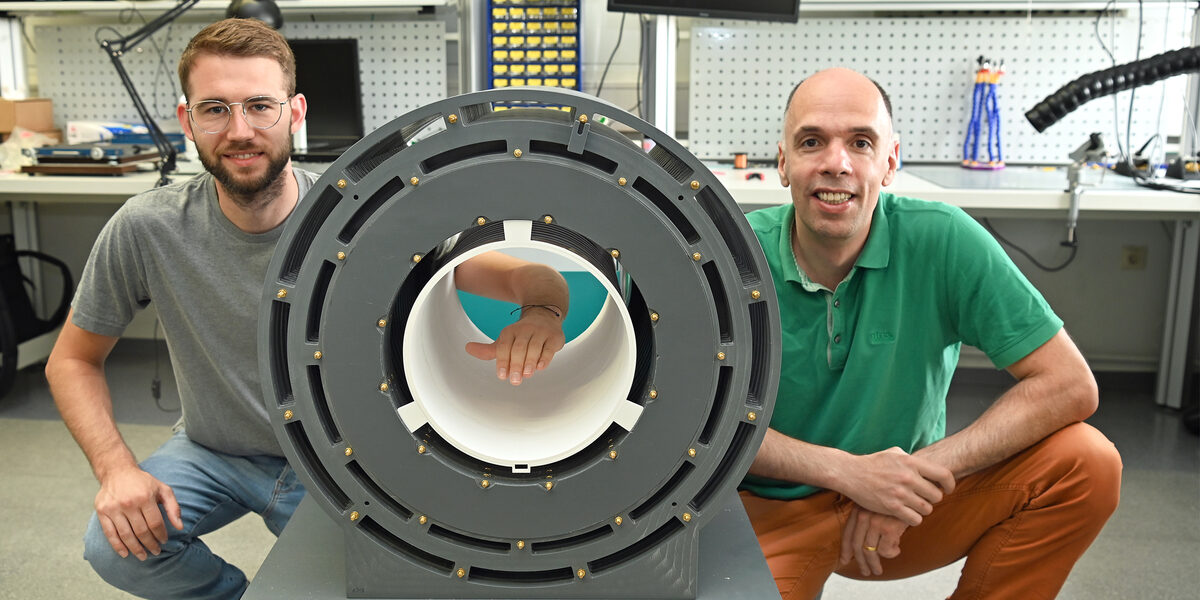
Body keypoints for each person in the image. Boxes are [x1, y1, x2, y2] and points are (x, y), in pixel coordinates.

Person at [44, 18, 568, 600]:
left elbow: (531, 276)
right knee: (114, 547)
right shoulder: (148, 226)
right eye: (215, 109)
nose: (239, 130)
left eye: (259, 106)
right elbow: (71, 361)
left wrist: (543, 310)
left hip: (334, 460)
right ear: (186, 120)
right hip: (210, 450)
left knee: (404, 580)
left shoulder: (365, 221)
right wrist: (118, 470)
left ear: (295, 113)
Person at [738, 67, 1123, 600]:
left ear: (889, 162)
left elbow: (1069, 384)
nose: (836, 162)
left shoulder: (943, 238)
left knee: (1086, 462)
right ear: (784, 163)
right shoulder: (732, 256)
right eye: (811, 142)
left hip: (904, 507)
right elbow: (694, 424)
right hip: (767, 512)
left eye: (860, 142)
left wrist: (915, 475)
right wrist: (851, 474)